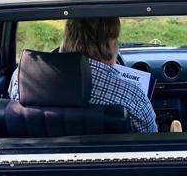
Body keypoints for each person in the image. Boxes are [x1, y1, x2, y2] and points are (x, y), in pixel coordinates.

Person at [9, 17, 158, 133]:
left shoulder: (23, 79)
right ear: (110, 44)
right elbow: (150, 141)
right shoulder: (132, 96)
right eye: (116, 40)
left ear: (67, 37)